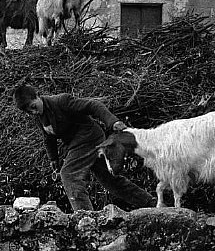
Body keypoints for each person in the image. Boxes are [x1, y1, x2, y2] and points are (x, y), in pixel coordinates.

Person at [13, 84, 154, 211]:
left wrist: (112, 121)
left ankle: (85, 217)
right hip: (79, 144)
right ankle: (153, 204)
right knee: (110, 181)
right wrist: (53, 159)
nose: (33, 112)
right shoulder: (40, 118)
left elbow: (93, 105)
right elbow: (48, 138)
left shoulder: (61, 101)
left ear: (38, 96)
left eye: (33, 107)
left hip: (90, 139)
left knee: (69, 174)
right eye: (28, 111)